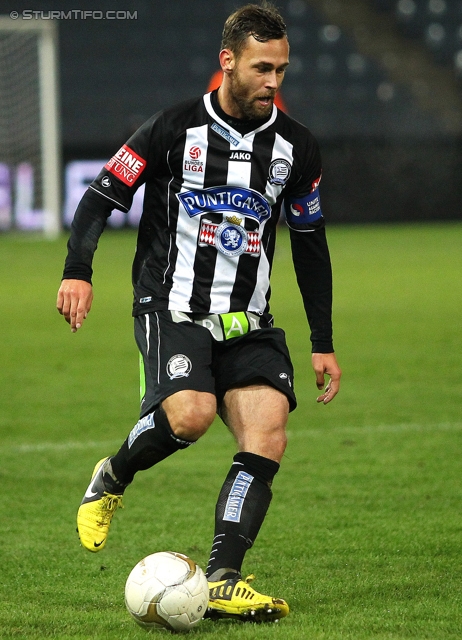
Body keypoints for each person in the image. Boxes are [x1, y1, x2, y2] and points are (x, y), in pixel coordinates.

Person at [57, 1, 341, 624]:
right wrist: (79, 270)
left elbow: (311, 244)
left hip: (249, 319)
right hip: (172, 305)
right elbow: (102, 194)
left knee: (267, 433)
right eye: (263, 68)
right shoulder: (171, 129)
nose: (274, 82)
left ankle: (224, 577)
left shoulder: (297, 147)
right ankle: (113, 474)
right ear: (228, 61)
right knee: (189, 416)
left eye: (283, 70)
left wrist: (322, 338)